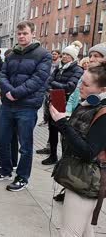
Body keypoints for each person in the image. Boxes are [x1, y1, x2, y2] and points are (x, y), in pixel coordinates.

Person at [0, 21, 52, 192]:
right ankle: (5, 170)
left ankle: (22, 177)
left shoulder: (43, 54)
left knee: (25, 145)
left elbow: (38, 79)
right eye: (19, 33)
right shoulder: (12, 54)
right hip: (7, 104)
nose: (21, 36)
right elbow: (3, 74)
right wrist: (8, 91)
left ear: (33, 34)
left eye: (25, 33)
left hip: (27, 107)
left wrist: (16, 93)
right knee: (3, 140)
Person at [50, 63, 106, 237]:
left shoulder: (103, 113)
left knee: (69, 232)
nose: (80, 87)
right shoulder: (90, 105)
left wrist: (62, 123)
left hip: (86, 181)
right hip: (82, 178)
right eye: (82, 82)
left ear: (103, 89)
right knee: (86, 231)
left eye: (86, 85)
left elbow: (88, 152)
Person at [41, 41, 84, 165]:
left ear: (73, 57)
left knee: (65, 132)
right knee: (52, 130)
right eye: (63, 54)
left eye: (67, 55)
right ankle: (53, 155)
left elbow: (70, 87)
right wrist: (55, 87)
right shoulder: (59, 68)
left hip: (66, 102)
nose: (64, 56)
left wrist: (53, 86)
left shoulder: (77, 69)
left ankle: (65, 158)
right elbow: (47, 82)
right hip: (54, 99)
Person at [38, 49, 63, 128]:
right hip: (46, 87)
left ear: (59, 55)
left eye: (55, 54)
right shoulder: (48, 63)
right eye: (52, 54)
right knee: (45, 104)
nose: (53, 55)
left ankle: (54, 122)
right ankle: (45, 120)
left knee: (55, 106)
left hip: (55, 87)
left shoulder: (60, 65)